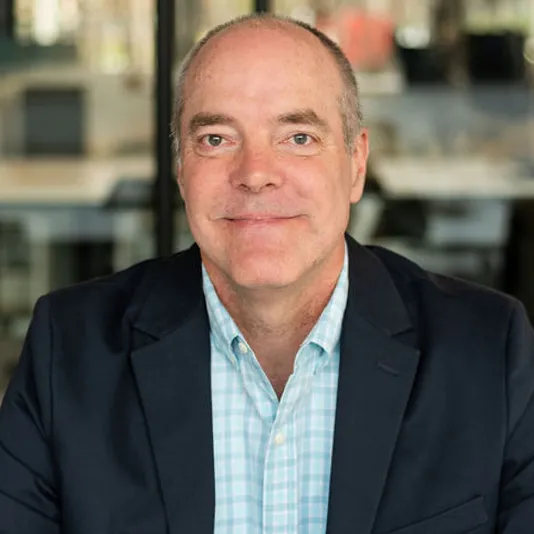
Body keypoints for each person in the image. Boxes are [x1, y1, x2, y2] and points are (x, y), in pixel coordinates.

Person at [0, 13, 533, 534]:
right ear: (181, 168)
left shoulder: (490, 352)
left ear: (356, 163)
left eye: (298, 136)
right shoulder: (67, 349)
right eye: (216, 139)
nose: (255, 174)